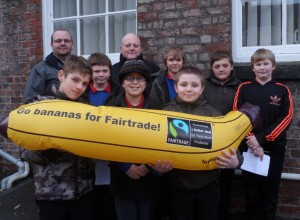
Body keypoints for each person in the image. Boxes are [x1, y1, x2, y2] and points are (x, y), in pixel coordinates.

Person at [21, 55, 95, 220]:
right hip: (51, 195)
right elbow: (24, 152)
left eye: (84, 83)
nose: (79, 87)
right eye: (75, 80)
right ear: (61, 75)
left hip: (84, 192)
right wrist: (51, 148)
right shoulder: (38, 106)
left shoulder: (87, 109)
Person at [163, 66, 239, 220]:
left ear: (202, 88)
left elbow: (229, 144)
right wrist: (155, 166)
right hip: (176, 186)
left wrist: (236, 161)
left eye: (194, 85)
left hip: (208, 186)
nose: (189, 89)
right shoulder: (164, 114)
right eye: (184, 85)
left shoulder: (214, 115)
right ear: (175, 87)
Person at [107, 59, 173, 220]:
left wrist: (148, 166)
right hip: (121, 179)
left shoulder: (157, 107)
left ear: (146, 83)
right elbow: (106, 142)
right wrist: (125, 167)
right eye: (130, 78)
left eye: (140, 78)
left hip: (150, 180)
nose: (135, 82)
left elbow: (163, 141)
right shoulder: (111, 107)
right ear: (122, 83)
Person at [233, 48, 294, 220]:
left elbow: (286, 117)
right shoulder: (244, 88)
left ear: (273, 66)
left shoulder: (282, 90)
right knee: (251, 192)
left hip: (274, 150)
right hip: (249, 149)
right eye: (258, 64)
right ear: (253, 68)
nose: (262, 67)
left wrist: (260, 140)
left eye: (266, 63)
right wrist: (252, 141)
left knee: (270, 192)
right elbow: (236, 115)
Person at [202, 50, 241, 220]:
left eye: (225, 65)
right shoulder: (204, 86)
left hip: (229, 142)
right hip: (206, 139)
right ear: (212, 68)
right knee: (207, 182)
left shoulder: (240, 87)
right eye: (217, 66)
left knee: (225, 184)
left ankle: (222, 213)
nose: (221, 69)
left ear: (231, 66)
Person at [86, 52, 121, 220]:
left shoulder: (118, 91)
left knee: (110, 203)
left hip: (111, 152)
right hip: (88, 153)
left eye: (104, 71)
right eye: (96, 71)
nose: (101, 75)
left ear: (110, 71)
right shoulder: (82, 94)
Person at [23, 29, 74, 103]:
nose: (63, 43)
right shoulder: (40, 70)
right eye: (58, 41)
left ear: (72, 44)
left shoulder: (81, 67)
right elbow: (30, 101)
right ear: (52, 45)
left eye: (66, 40)